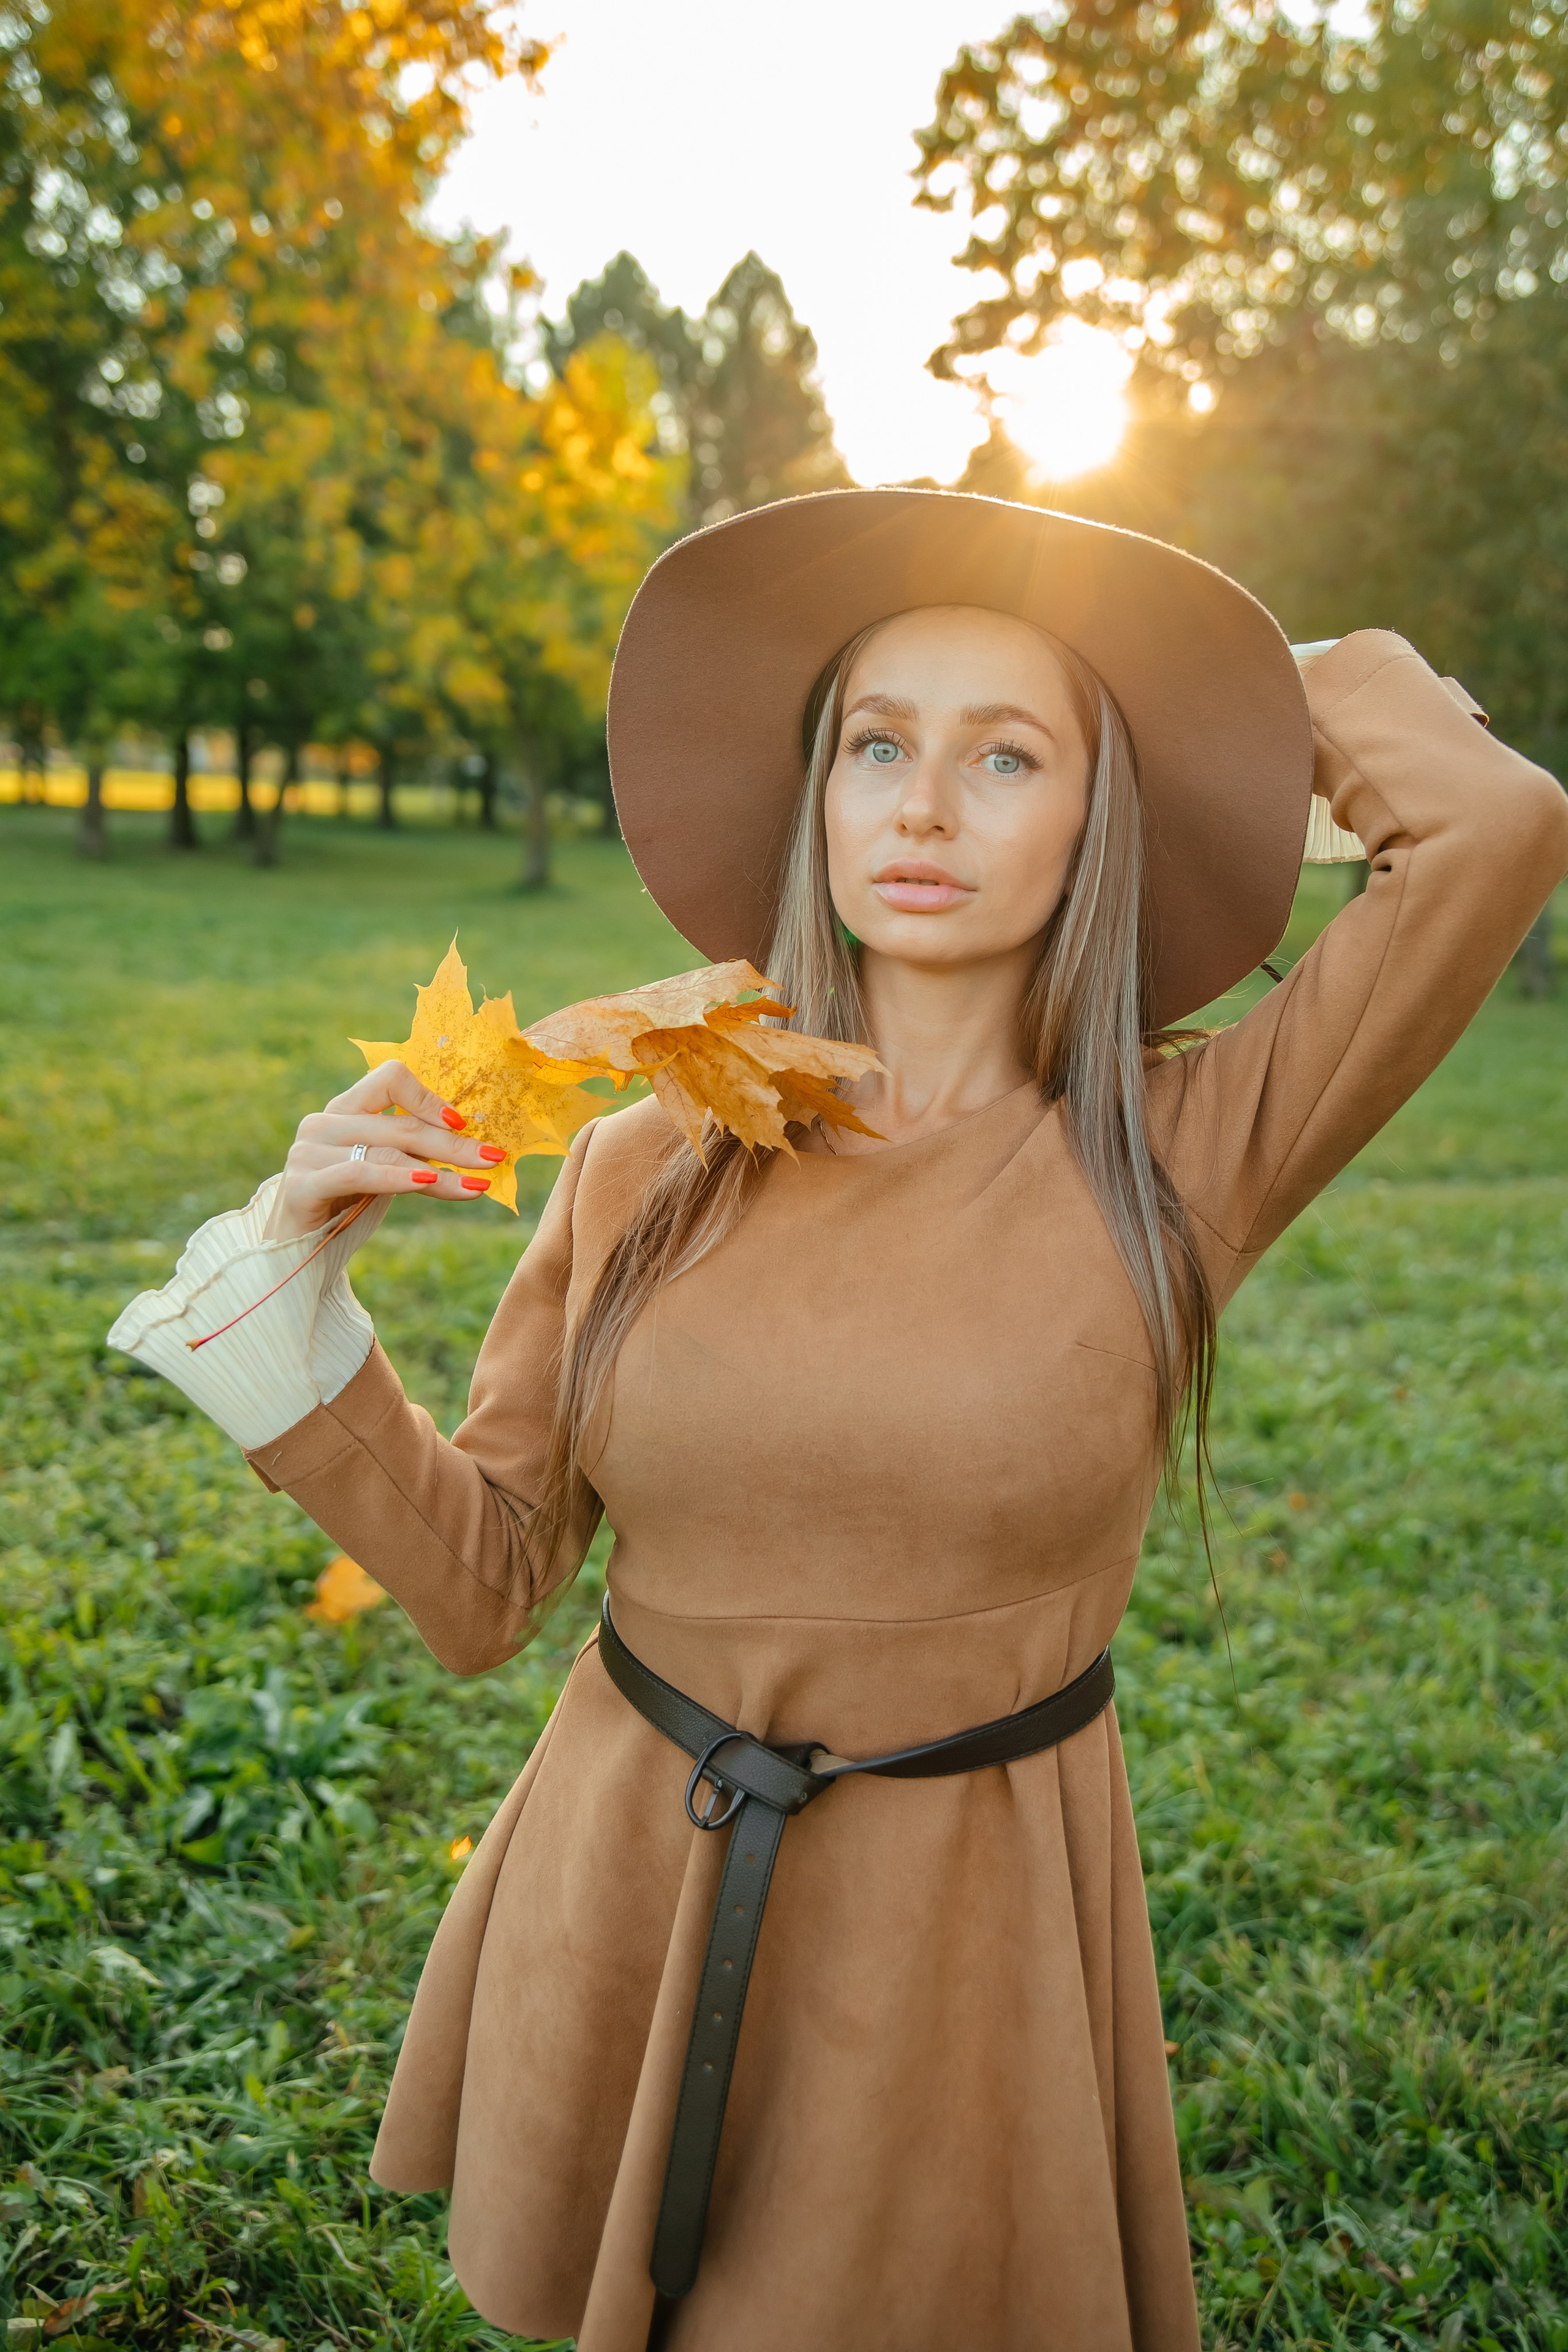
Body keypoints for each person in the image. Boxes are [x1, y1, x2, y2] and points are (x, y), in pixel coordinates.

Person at [109, 491, 1568, 2352]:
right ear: (816, 793)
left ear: (1095, 810)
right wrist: (289, 1299)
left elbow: (1495, 824)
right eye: (877, 743)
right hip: (633, 1869)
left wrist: (1216, 691)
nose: (925, 807)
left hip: (962, 1929)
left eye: (1008, 754)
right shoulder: (647, 1153)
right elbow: (488, 1591)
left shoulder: (1178, 1149)